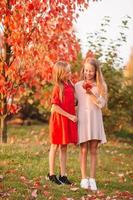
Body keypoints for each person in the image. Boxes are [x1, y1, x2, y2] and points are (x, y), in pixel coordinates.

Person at [75, 58, 107, 191]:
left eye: (91, 71)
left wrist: (91, 94)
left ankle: (92, 179)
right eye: (86, 70)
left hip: (95, 120)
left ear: (96, 72)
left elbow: (101, 104)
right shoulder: (78, 85)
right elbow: (74, 102)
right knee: (83, 150)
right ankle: (84, 178)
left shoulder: (101, 86)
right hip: (83, 120)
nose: (88, 73)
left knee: (93, 151)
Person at [48, 61, 78, 185]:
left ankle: (63, 175)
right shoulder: (57, 88)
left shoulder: (71, 85)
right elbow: (54, 107)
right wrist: (70, 116)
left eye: (70, 71)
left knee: (64, 146)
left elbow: (74, 102)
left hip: (67, 120)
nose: (70, 73)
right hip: (59, 121)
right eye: (67, 72)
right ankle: (51, 174)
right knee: (55, 146)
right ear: (60, 74)